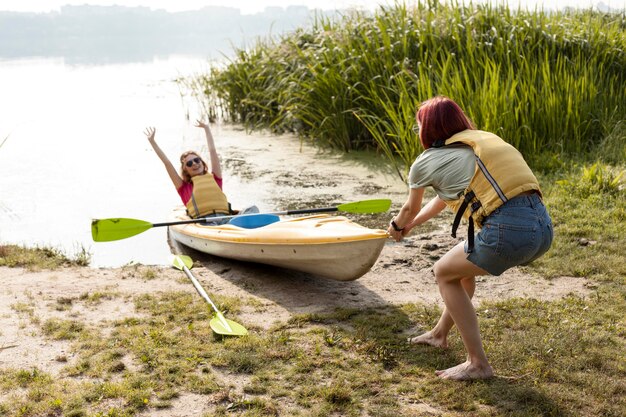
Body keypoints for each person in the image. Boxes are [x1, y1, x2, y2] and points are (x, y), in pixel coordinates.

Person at [388, 96, 553, 381]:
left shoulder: (426, 161)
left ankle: (478, 363)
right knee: (461, 272)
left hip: (509, 232)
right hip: (543, 229)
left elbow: (408, 207)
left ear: (428, 128)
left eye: (419, 128)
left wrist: (397, 225)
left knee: (442, 272)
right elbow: (441, 200)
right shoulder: (479, 141)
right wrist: (413, 225)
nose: (419, 134)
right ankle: (439, 334)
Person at [143, 120, 258, 224]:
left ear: (202, 163)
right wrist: (152, 142)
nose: (194, 163)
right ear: (185, 170)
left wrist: (207, 128)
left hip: (226, 219)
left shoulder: (215, 178)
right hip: (205, 222)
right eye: (189, 163)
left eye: (196, 160)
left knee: (252, 209)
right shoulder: (184, 188)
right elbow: (167, 163)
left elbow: (212, 151)